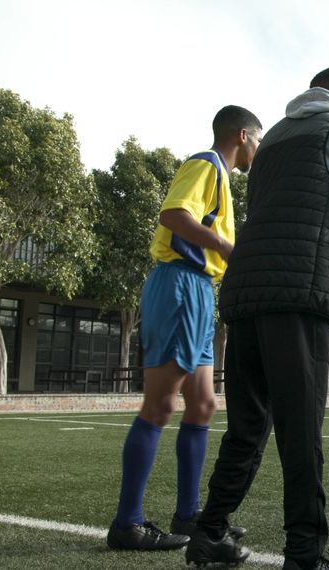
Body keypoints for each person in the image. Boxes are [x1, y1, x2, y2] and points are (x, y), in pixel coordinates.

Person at [185, 66, 329, 570]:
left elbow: (282, 206)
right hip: (297, 290)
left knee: (246, 425)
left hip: (247, 290)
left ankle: (210, 532)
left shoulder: (275, 139)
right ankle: (305, 552)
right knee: (301, 427)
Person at [106, 106, 263, 551]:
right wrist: (226, 249)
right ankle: (127, 524)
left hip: (198, 292)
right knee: (160, 405)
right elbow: (174, 214)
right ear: (242, 135)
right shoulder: (206, 164)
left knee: (204, 404)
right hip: (178, 284)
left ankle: (189, 514)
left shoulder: (225, 181)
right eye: (259, 139)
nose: (259, 149)